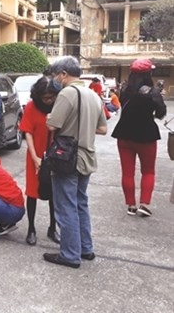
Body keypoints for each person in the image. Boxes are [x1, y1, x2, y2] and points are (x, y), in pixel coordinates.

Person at [44, 56, 108, 269]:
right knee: (81, 203)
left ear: (63, 74)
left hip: (68, 158)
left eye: (55, 75)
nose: (55, 79)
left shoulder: (67, 93)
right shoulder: (93, 94)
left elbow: (53, 125)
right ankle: (85, 248)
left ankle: (70, 254)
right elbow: (102, 129)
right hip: (87, 156)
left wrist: (50, 119)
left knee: (66, 206)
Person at [111, 58, 167, 217]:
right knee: (148, 171)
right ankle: (144, 203)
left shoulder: (124, 90)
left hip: (124, 134)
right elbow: (161, 114)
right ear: (148, 73)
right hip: (146, 135)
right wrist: (158, 96)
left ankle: (131, 205)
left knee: (127, 173)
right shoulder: (153, 91)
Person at [19, 75, 61, 246]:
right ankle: (31, 229)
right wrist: (35, 157)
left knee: (54, 193)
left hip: (55, 154)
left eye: (52, 97)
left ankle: (53, 228)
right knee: (32, 192)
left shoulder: (59, 106)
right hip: (34, 153)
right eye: (45, 98)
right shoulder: (31, 107)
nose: (49, 100)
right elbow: (27, 132)